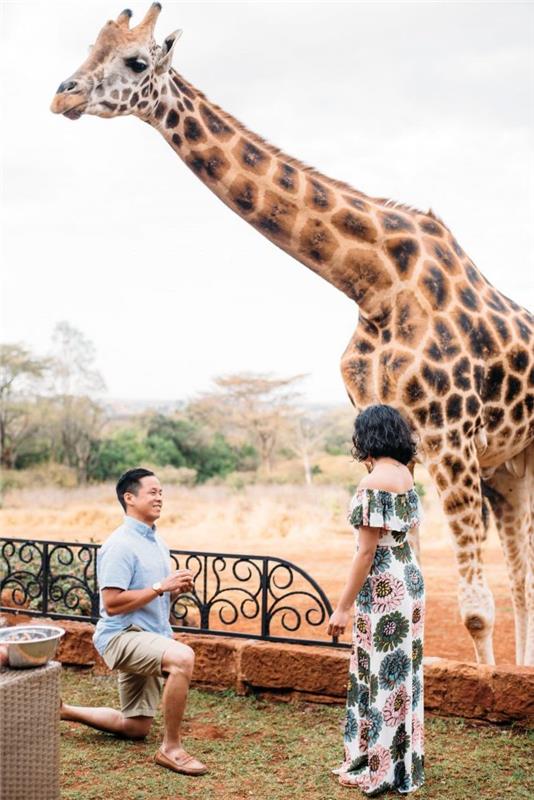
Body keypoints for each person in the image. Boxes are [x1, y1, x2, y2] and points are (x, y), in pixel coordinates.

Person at [60, 467, 208, 776]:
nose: (159, 498)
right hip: (121, 636)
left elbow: (152, 596)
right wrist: (160, 587)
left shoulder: (157, 542)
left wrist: (174, 591)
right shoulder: (120, 544)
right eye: (152, 492)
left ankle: (60, 711)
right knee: (182, 658)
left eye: (161, 492)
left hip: (149, 635)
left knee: (136, 727)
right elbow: (112, 604)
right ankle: (171, 749)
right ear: (129, 498)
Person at [328, 405, 425, 794]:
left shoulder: (372, 485)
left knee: (381, 674)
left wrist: (342, 606)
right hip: (411, 580)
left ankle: (378, 769)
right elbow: (412, 537)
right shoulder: (406, 474)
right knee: (403, 675)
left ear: (366, 438)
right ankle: (402, 766)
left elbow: (366, 554)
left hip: (384, 585)